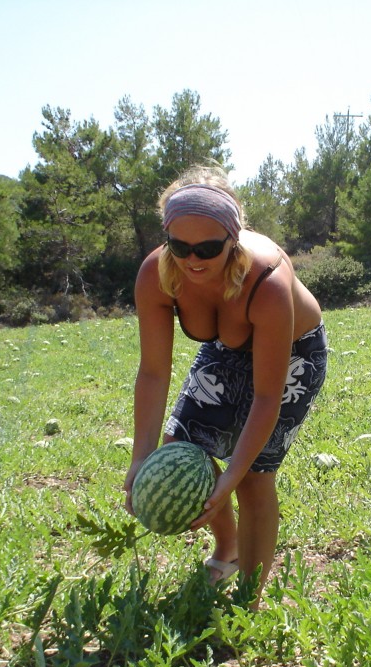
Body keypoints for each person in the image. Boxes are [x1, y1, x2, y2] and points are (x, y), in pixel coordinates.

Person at [123, 164, 328, 606]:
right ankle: (229, 548)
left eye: (208, 248)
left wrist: (231, 478)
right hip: (226, 348)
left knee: (253, 477)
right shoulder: (157, 274)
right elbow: (154, 372)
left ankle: (250, 599)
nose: (192, 260)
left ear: (232, 240)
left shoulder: (267, 281)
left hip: (292, 354)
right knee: (181, 445)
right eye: (179, 246)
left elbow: (268, 395)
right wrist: (141, 459)